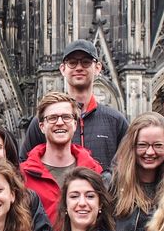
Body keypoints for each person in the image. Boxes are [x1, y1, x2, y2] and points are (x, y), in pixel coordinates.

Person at [21, 40, 129, 170]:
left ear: (98, 68)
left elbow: (128, 164)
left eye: (86, 62)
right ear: (62, 69)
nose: (79, 68)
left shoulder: (115, 120)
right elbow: (24, 164)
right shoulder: (45, 120)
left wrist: (107, 179)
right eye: (72, 63)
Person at [21, 91, 103, 226]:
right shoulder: (23, 175)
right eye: (52, 118)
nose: (60, 122)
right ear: (42, 126)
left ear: (75, 124)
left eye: (66, 117)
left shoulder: (94, 171)